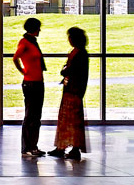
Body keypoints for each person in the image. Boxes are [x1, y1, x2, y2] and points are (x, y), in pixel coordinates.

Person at [54, 26, 90, 161]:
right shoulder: (77, 52)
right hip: (71, 91)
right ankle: (62, 146)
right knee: (67, 120)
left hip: (74, 92)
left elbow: (68, 70)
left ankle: (73, 148)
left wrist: (64, 71)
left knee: (72, 121)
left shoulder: (79, 54)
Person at [12, 17, 46, 157]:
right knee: (30, 116)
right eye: (38, 27)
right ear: (34, 28)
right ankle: (27, 147)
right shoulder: (25, 42)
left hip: (38, 82)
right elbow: (15, 57)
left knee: (36, 116)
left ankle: (33, 146)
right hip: (31, 83)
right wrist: (22, 71)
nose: (40, 30)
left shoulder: (33, 42)